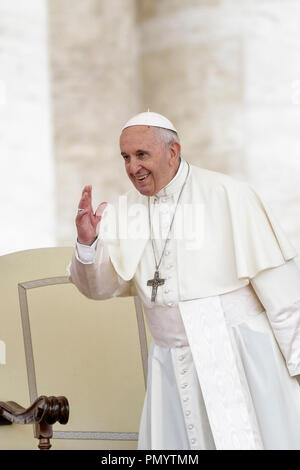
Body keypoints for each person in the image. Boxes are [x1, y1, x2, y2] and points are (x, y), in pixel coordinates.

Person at [69, 111, 300, 450]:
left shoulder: (229, 194)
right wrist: (87, 244)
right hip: (170, 365)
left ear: (173, 151)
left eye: (142, 155)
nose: (133, 167)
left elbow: (285, 297)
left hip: (240, 358)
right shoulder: (126, 210)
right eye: (126, 157)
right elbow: (99, 287)